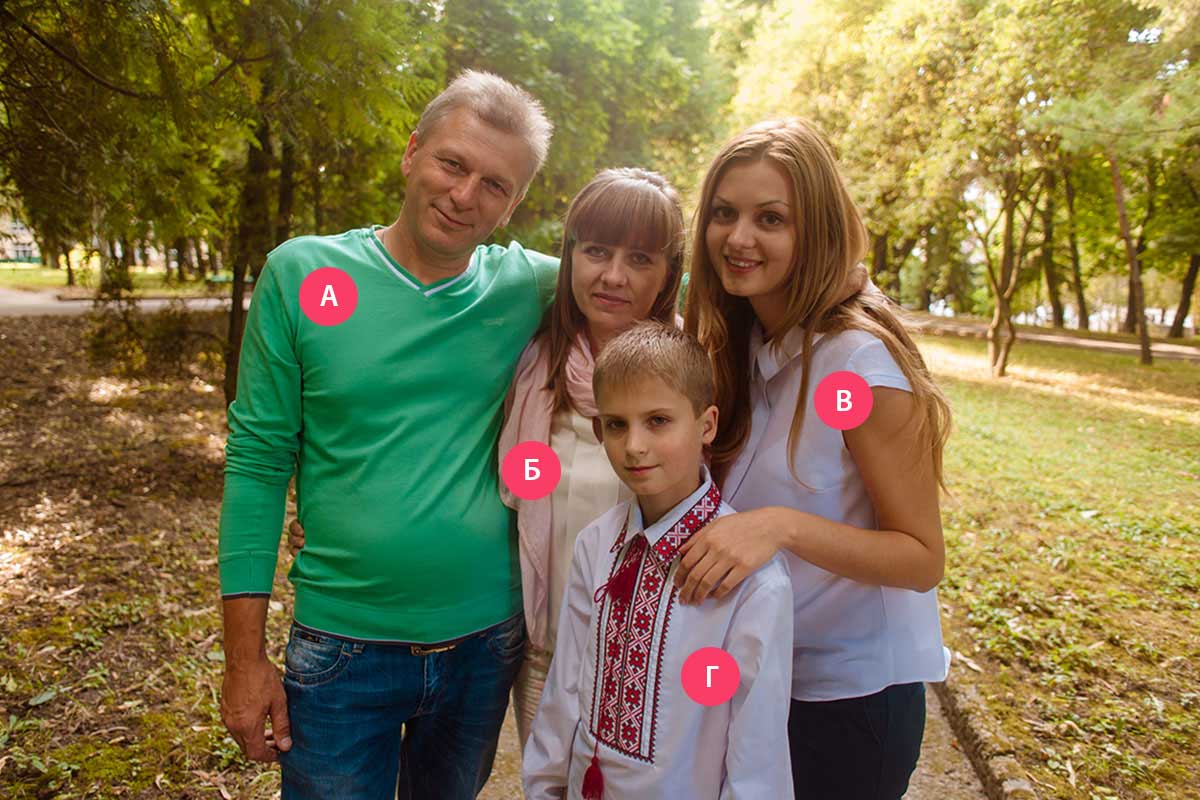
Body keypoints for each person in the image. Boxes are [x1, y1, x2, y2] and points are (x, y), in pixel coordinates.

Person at [217, 70, 557, 800]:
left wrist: (849, 296)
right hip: (342, 651)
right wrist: (242, 661)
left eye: (495, 185)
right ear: (412, 153)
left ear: (515, 203)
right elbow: (256, 462)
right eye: (452, 164)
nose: (466, 195)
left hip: (484, 645)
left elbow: (671, 274)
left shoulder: (530, 287)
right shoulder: (303, 273)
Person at [676, 118, 953, 800]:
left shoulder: (856, 363)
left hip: (850, 702)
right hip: (763, 678)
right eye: (723, 214)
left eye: (771, 218)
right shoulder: (749, 340)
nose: (738, 238)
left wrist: (779, 526)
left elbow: (921, 557)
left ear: (816, 231)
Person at [523, 321, 794, 799]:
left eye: (658, 421)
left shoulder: (753, 580)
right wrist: (544, 786)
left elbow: (758, 745)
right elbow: (565, 688)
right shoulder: (596, 544)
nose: (634, 447)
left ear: (706, 424)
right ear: (598, 428)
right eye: (616, 425)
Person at [497, 168, 686, 748]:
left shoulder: (695, 372)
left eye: (640, 259)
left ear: (668, 275)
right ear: (570, 255)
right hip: (545, 650)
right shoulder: (533, 362)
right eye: (597, 251)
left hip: (653, 655)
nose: (613, 276)